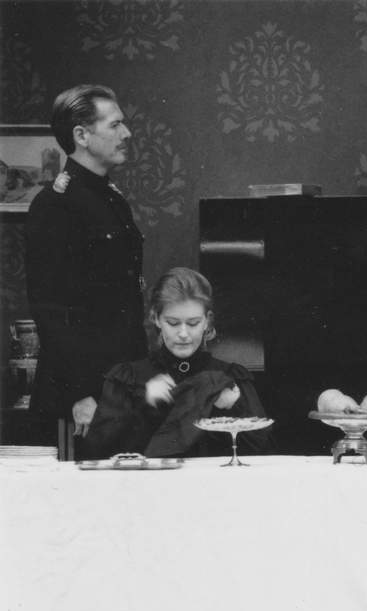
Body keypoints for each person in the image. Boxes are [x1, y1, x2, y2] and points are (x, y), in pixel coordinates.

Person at [25, 84, 147, 451]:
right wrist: (80, 394)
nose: (127, 133)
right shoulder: (55, 205)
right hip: (81, 398)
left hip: (120, 384)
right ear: (82, 136)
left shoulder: (111, 199)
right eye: (115, 125)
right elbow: (51, 310)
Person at [84, 268, 272, 459]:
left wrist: (234, 407)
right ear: (156, 319)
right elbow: (98, 452)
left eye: (193, 323)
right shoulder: (128, 378)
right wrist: (145, 407)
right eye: (173, 323)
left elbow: (264, 453)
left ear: (207, 322)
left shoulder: (230, 377)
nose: (183, 333)